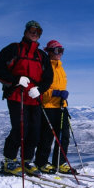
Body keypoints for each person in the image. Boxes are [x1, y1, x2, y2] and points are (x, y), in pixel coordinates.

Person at [0, 20, 53, 176]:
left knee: (34, 131)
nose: (35, 34)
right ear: (26, 31)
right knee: (21, 128)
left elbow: (48, 77)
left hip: (33, 96)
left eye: (38, 32)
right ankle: (9, 161)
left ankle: (26, 160)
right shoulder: (14, 49)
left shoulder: (41, 55)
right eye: (32, 30)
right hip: (16, 95)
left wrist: (40, 89)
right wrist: (16, 80)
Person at [34, 40, 77, 175]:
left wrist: (62, 95)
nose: (60, 53)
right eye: (57, 50)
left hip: (61, 106)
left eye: (61, 50)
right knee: (47, 137)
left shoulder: (60, 67)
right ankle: (41, 163)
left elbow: (60, 86)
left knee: (64, 136)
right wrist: (56, 93)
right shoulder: (45, 67)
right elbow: (41, 88)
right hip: (48, 106)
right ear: (49, 51)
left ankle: (59, 163)